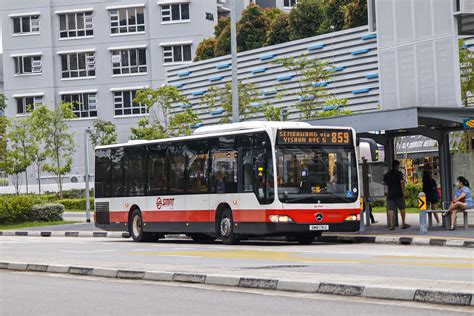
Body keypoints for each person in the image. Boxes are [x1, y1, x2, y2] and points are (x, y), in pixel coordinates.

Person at [383, 160, 410, 230]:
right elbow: (402, 182)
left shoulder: (387, 174)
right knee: (402, 208)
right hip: (399, 194)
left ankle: (392, 225)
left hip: (390, 194)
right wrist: (403, 192)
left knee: (391, 209)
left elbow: (384, 183)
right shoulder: (399, 173)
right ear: (397, 166)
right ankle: (403, 223)